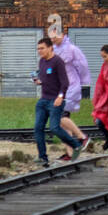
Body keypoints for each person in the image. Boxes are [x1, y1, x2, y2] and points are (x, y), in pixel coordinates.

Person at [33, 36, 82, 167]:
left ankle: (76, 145)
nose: (40, 51)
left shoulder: (58, 61)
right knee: (38, 128)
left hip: (55, 100)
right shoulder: (42, 62)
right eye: (38, 49)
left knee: (54, 127)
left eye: (42, 48)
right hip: (43, 100)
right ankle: (42, 157)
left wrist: (60, 96)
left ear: (50, 48)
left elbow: (64, 82)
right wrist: (39, 82)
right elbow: (45, 79)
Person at [51, 30, 92, 155]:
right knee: (63, 120)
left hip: (71, 86)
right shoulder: (52, 50)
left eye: (56, 36)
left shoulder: (72, 49)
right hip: (58, 87)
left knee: (60, 116)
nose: (53, 39)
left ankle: (82, 137)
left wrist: (85, 83)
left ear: (63, 35)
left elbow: (83, 65)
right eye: (51, 37)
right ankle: (69, 152)